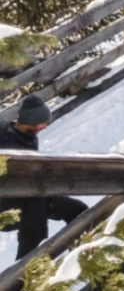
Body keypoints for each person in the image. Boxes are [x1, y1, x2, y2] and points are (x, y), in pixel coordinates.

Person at [0, 96, 86, 261]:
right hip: (6, 207)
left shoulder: (29, 138)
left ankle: (80, 260)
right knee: (35, 226)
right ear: (31, 121)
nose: (45, 126)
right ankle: (22, 276)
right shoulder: (3, 135)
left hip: (31, 196)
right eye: (42, 123)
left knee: (77, 210)